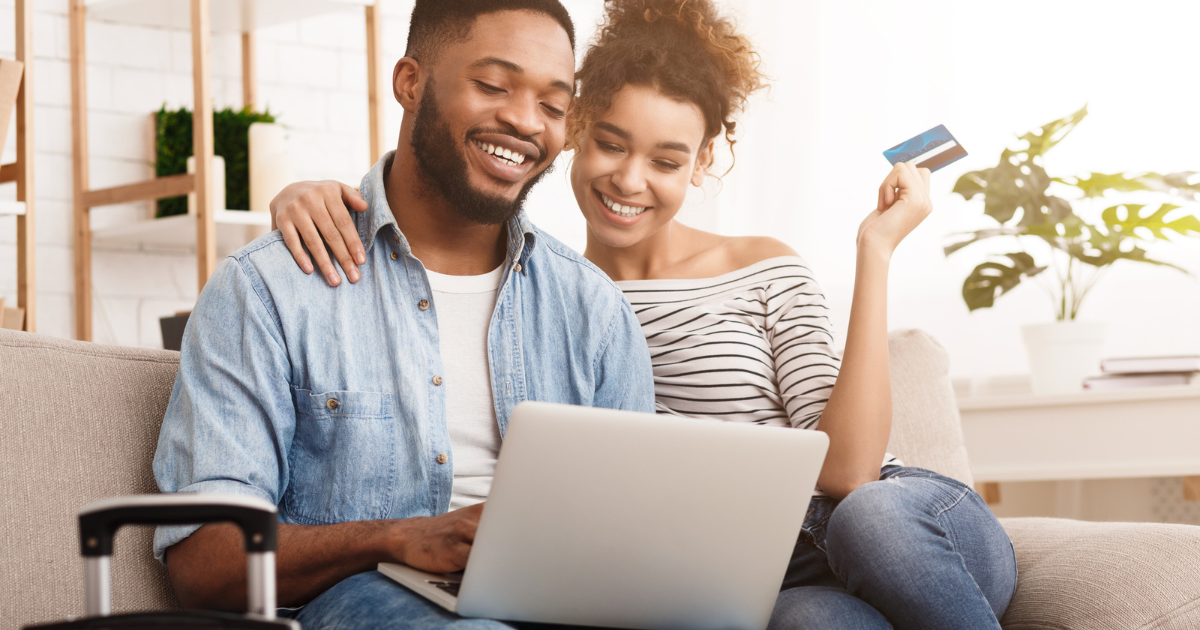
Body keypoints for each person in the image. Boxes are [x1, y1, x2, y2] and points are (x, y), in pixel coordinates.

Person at [273, 1, 1019, 628]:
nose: (630, 180)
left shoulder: (760, 265)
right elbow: (436, 198)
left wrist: (876, 250)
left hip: (903, 527)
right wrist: (306, 193)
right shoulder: (551, 301)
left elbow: (853, 472)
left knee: (869, 519)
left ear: (702, 164)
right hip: (781, 579)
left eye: (666, 161)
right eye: (610, 143)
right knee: (811, 623)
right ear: (573, 132)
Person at [151, 1, 656, 629]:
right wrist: (398, 538)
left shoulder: (595, 311)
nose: (526, 122)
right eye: (494, 86)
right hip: (360, 599)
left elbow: (636, 537)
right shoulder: (269, 288)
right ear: (410, 82)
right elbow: (206, 563)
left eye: (554, 106)